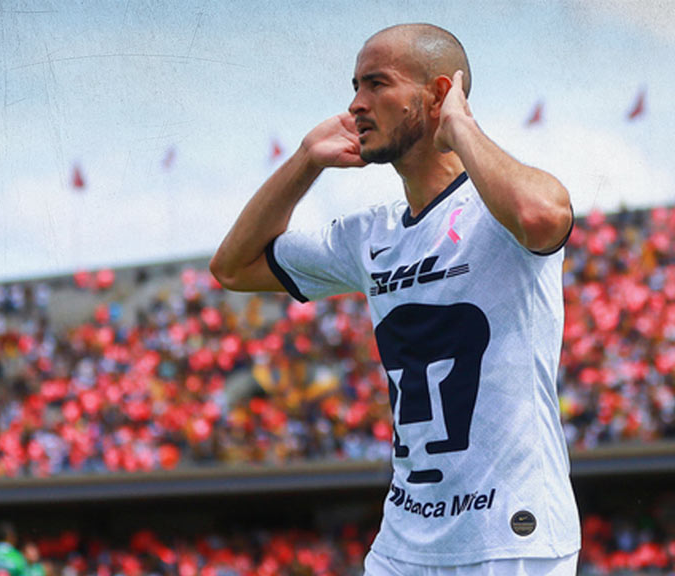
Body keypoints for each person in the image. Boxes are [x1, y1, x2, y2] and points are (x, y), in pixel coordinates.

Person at [211, 22, 579, 575]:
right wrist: (305, 160)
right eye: (355, 86)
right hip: (403, 545)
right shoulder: (370, 235)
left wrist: (460, 126)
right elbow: (233, 267)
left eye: (376, 84)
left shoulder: (499, 209)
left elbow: (543, 216)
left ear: (437, 93)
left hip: (510, 540)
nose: (356, 104)